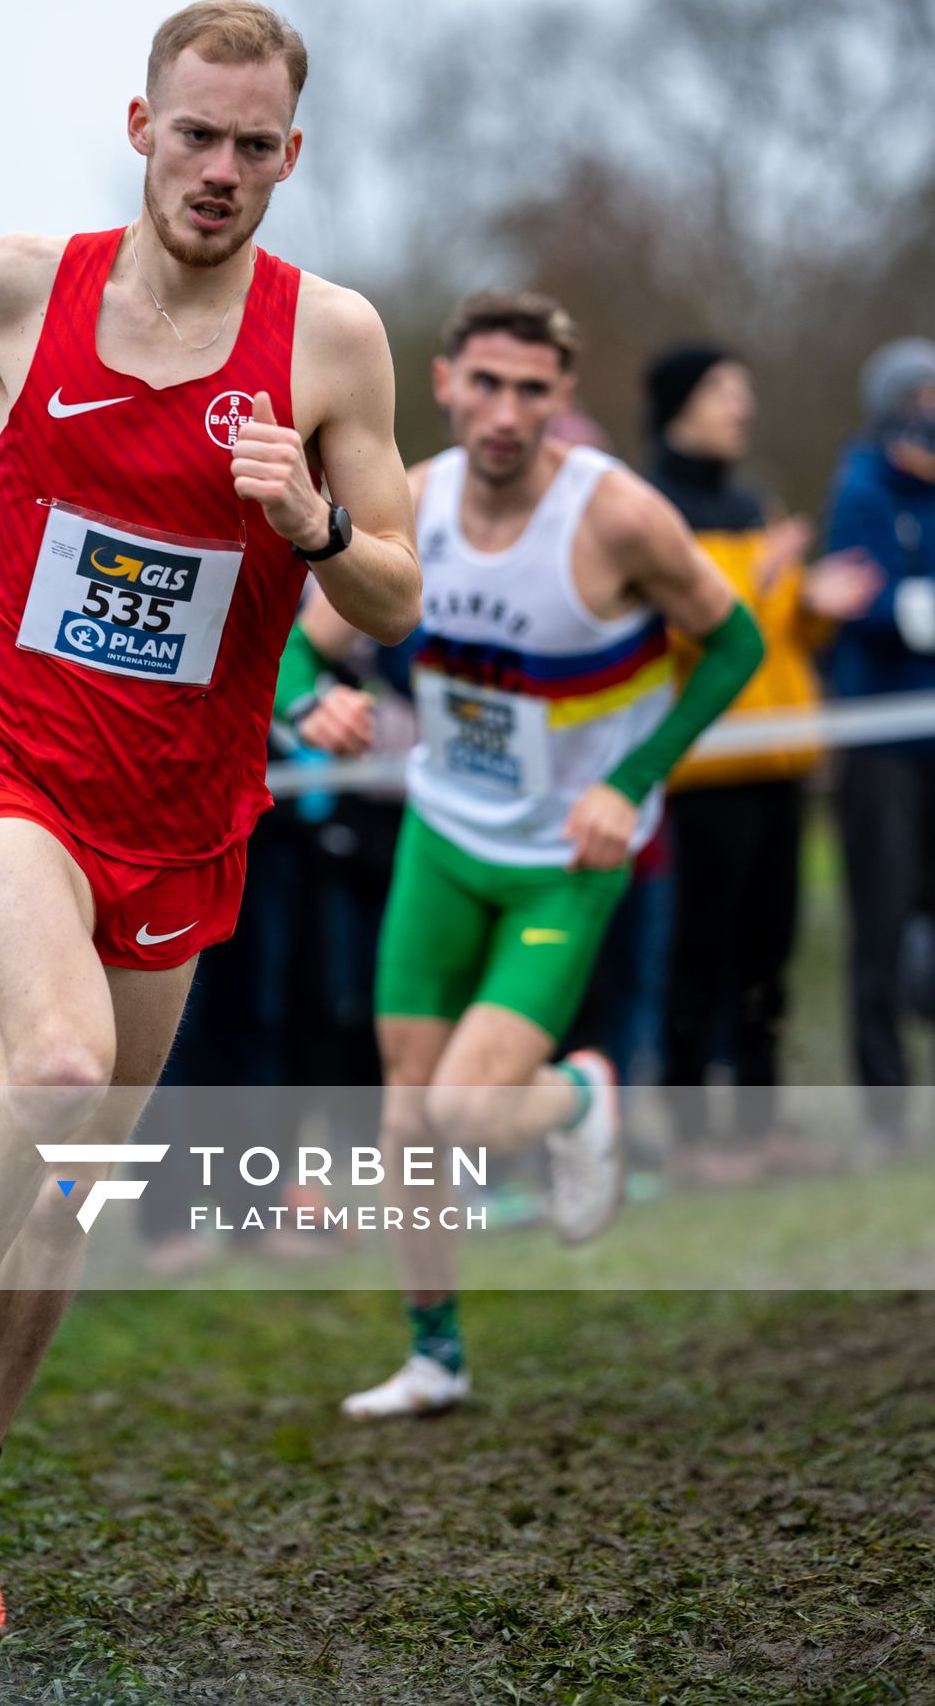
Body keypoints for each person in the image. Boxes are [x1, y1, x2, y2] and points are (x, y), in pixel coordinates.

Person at [0, 0, 420, 1643]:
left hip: (184, 810)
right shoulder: (24, 287)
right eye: (194, 133)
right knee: (59, 1065)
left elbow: (395, 590)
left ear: (291, 156)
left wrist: (312, 520)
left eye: (252, 145)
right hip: (10, 764)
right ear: (141, 128)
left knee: (69, 1180)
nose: (219, 167)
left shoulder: (331, 340)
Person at [339, 292, 764, 1421]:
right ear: (444, 383)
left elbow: (736, 643)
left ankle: (578, 1096)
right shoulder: (411, 499)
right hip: (441, 841)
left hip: (562, 863)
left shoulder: (617, 515)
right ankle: (435, 1356)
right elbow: (306, 640)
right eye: (485, 383)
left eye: (532, 390)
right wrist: (303, 705)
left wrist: (633, 781)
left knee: (463, 1113)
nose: (505, 412)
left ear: (560, 397)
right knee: (405, 1117)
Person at [645, 344, 881, 1183]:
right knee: (700, 954)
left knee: (767, 956)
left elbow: (782, 637)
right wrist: (768, 578)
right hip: (706, 770)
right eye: (723, 390)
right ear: (678, 402)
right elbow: (681, 636)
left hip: (781, 764)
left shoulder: (754, 504)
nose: (740, 406)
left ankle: (760, 1122)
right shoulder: (652, 511)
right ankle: (694, 1136)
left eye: (743, 391)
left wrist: (816, 604)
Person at [823, 338, 935, 1156]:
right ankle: (885, 1116)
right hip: (878, 746)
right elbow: (870, 606)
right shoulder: (859, 488)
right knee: (880, 923)